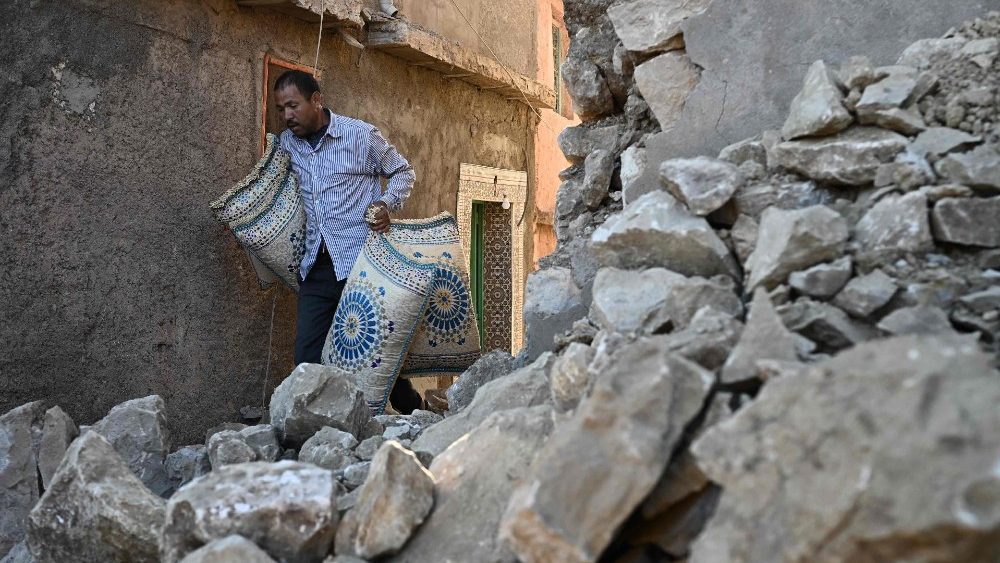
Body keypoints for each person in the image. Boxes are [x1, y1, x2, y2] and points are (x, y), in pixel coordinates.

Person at [274, 69, 422, 412]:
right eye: (282, 109)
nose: (287, 115)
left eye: (293, 106)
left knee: (375, 353)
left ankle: (415, 414)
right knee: (307, 358)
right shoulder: (287, 144)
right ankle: (318, 430)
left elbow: (403, 171)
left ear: (316, 100)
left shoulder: (360, 136)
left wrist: (386, 204)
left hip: (361, 264)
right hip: (316, 265)